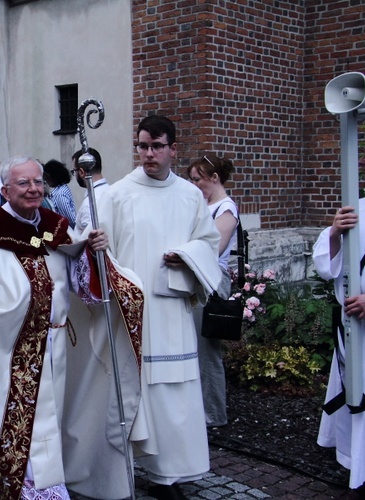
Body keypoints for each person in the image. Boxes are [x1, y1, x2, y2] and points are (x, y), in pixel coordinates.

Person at [0, 156, 144, 499]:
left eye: (38, 182)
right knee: (27, 426)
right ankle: (31, 490)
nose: (33, 189)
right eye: (24, 183)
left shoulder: (54, 227)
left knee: (51, 422)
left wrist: (92, 253)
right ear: (6, 189)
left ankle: (53, 480)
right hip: (8, 357)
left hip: (56, 346)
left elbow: (83, 287)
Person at [76, 115, 221, 499]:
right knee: (132, 393)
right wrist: (96, 244)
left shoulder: (191, 196)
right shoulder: (117, 194)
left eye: (157, 146)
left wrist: (189, 258)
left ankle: (168, 475)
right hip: (131, 315)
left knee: (174, 396)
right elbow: (84, 240)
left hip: (172, 310)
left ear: (174, 149)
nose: (149, 153)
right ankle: (123, 471)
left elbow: (208, 244)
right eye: (142, 146)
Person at [313, 128, 365, 497]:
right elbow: (325, 262)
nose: (361, 160)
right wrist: (333, 233)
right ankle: (359, 469)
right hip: (355, 330)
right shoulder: (357, 205)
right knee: (359, 406)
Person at [187, 155, 238, 428]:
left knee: (206, 349)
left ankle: (214, 414)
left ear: (214, 178)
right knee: (193, 345)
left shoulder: (226, 209)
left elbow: (214, 248)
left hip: (212, 280)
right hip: (196, 277)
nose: (194, 185)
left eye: (198, 179)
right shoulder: (204, 205)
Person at [72, 148, 109, 238]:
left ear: (81, 172)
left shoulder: (89, 204)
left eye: (74, 171)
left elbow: (89, 241)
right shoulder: (112, 192)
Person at [43, 159, 77, 228]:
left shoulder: (59, 194)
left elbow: (69, 219)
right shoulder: (63, 188)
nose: (45, 181)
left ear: (51, 177)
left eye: (46, 177)